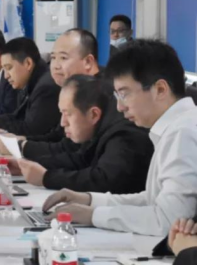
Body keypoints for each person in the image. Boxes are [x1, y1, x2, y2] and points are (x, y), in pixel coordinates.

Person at [43, 40, 197, 237]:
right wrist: (89, 200)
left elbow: (168, 220)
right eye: (117, 96)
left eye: (125, 94)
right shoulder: (177, 127)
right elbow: (153, 200)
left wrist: (93, 215)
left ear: (160, 89)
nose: (120, 107)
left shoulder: (183, 133)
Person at [8, 75, 152, 194]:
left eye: (68, 114)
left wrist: (46, 178)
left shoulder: (124, 135)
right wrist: (27, 165)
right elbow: (79, 160)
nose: (63, 122)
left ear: (93, 114)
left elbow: (104, 180)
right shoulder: (100, 127)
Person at [0, 29, 102, 158]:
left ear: (88, 62)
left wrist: (21, 147)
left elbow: (73, 153)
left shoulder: (102, 95)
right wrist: (21, 141)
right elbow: (58, 138)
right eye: (53, 57)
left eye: (63, 58)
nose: (55, 66)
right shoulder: (74, 88)